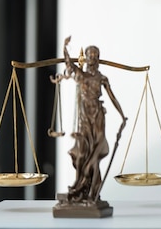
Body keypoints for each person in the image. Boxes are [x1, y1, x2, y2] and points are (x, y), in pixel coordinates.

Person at [57, 36, 127, 204]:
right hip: (84, 119)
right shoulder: (80, 75)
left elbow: (113, 98)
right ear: (86, 58)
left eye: (95, 55)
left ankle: (91, 192)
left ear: (98, 59)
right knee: (81, 154)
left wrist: (122, 115)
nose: (92, 58)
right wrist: (65, 48)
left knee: (95, 155)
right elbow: (68, 65)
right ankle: (80, 187)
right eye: (90, 55)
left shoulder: (102, 79)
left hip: (97, 119)